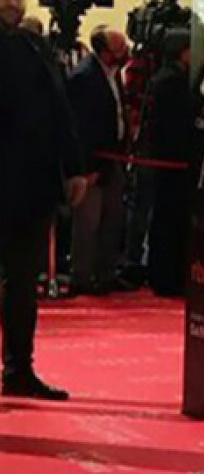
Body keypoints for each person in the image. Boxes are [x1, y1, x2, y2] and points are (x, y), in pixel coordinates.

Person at [0, 0, 87, 400]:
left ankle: (19, 369)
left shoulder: (37, 47)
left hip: (33, 188)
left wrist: (74, 169)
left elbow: (61, 111)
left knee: (22, 286)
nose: (11, 2)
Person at [66, 25, 131, 295]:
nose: (126, 51)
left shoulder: (114, 75)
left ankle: (106, 273)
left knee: (113, 219)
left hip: (113, 157)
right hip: (92, 162)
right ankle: (81, 276)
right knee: (88, 222)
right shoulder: (83, 77)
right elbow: (78, 127)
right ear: (104, 52)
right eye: (119, 48)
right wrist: (84, 169)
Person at [143, 31, 194, 296]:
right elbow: (176, 125)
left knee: (165, 220)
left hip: (165, 160)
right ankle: (167, 277)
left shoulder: (163, 78)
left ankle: (164, 275)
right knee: (169, 221)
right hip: (172, 161)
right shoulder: (173, 82)